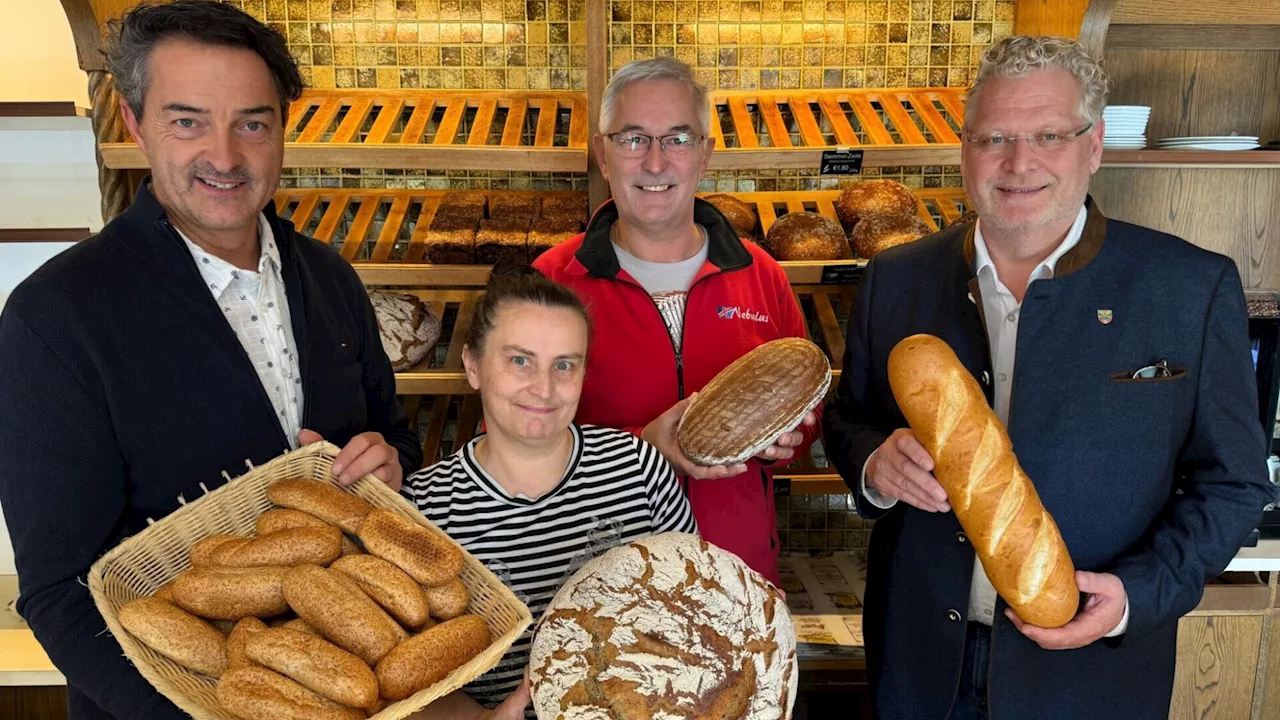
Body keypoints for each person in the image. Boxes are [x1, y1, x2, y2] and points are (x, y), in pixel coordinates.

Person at [822, 35, 1274, 720]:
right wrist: (873, 464)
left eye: (1048, 136)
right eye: (993, 137)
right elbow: (849, 420)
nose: (1018, 162)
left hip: (1089, 681)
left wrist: (1138, 595)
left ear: (1092, 147)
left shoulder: (1187, 286)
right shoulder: (898, 277)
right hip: (920, 666)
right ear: (966, 149)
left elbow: (1235, 484)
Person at [0, 3, 421, 718]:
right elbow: (60, 590)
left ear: (282, 130)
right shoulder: (57, 318)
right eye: (188, 120)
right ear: (134, 124)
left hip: (336, 687)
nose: (224, 157)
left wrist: (390, 464)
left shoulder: (328, 277)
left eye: (251, 123)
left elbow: (395, 433)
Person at [533, 57, 818, 586]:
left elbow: (804, 413)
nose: (656, 163)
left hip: (741, 581)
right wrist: (643, 449)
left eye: (679, 139)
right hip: (600, 588)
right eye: (633, 138)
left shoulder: (761, 276)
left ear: (705, 153)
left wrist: (789, 438)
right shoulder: (551, 282)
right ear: (602, 153)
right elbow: (509, 447)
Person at [401, 267, 697, 719]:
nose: (543, 388)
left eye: (564, 365)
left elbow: (695, 615)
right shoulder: (424, 509)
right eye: (520, 360)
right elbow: (405, 677)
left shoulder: (639, 469)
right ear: (473, 365)